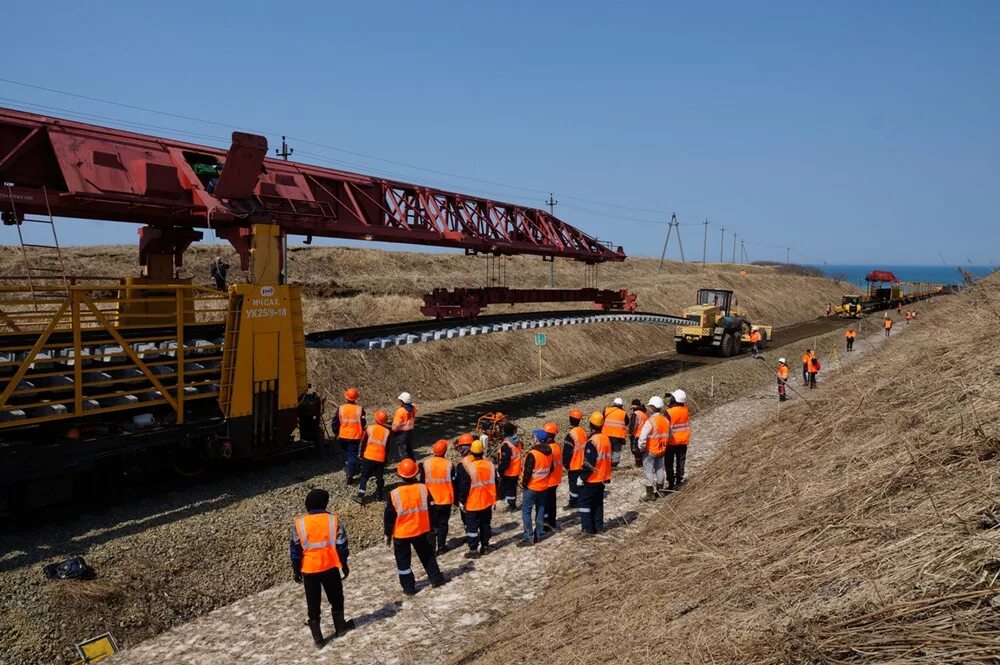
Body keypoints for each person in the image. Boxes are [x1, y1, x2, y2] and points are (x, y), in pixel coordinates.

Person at [290, 489, 355, 647]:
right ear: (324, 503)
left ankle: (318, 639)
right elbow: (341, 545)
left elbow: (295, 550)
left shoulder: (299, 524)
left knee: (313, 602)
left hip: (309, 569)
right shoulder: (333, 520)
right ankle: (340, 627)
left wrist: (296, 569)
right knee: (336, 598)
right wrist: (344, 564)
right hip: (330, 566)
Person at [384, 459, 446, 595]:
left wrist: (387, 533)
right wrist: (434, 525)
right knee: (427, 555)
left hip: (402, 534)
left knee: (403, 562)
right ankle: (436, 578)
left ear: (400, 474)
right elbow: (432, 509)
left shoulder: (394, 494)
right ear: (415, 473)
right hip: (421, 530)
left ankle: (409, 588)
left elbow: (389, 517)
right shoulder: (423, 488)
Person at [455, 440, 497, 558]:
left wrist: (461, 500)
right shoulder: (489, 464)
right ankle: (485, 546)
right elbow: (495, 482)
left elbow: (464, 486)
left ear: (472, 452)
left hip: (472, 502)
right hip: (487, 500)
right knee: (485, 524)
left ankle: (473, 550)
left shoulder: (468, 467)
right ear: (482, 451)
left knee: (472, 527)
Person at [518, 428, 552, 546]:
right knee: (541, 509)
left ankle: (528, 536)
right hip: (543, 486)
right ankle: (539, 533)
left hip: (532, 486)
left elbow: (527, 472)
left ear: (537, 439)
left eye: (534, 437)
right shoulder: (549, 452)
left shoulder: (533, 454)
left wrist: (524, 484)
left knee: (526, 511)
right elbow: (550, 469)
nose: (532, 439)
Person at [579, 412, 612, 535]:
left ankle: (588, 529)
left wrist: (582, 478)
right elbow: (608, 459)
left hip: (592, 479)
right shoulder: (605, 438)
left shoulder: (593, 442)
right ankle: (599, 527)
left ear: (591, 424)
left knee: (584, 503)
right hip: (602, 477)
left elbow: (589, 463)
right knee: (598, 503)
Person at [419, 439, 454, 554]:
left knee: (431, 525)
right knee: (443, 523)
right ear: (445, 451)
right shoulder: (449, 465)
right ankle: (442, 547)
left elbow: (422, 482)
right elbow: (453, 481)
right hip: (445, 499)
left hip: (430, 500)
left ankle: (432, 548)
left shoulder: (425, 463)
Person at [331, 388, 366, 484]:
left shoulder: (341, 408)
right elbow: (363, 423)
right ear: (356, 398)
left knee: (346, 453)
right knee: (352, 454)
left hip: (343, 436)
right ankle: (350, 474)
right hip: (354, 436)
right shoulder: (360, 409)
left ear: (346, 398)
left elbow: (335, 422)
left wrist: (336, 432)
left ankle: (348, 468)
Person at [637, 396, 669, 500]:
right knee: (660, 469)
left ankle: (650, 494)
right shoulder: (665, 420)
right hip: (662, 449)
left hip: (650, 450)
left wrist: (641, 448)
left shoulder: (650, 421)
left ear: (652, 408)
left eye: (649, 406)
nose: (648, 408)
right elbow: (670, 435)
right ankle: (660, 491)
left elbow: (642, 438)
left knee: (648, 471)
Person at [355, 409, 390, 504]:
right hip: (381, 458)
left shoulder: (369, 428)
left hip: (368, 456)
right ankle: (379, 495)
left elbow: (363, 442)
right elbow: (387, 447)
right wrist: (386, 458)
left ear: (376, 419)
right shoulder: (387, 432)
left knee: (364, 476)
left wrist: (360, 454)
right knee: (379, 477)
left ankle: (361, 496)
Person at [664, 390, 690, 490]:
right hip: (683, 440)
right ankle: (679, 480)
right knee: (681, 461)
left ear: (674, 400)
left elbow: (665, 426)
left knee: (669, 463)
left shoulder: (669, 412)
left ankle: (671, 483)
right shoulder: (685, 410)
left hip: (671, 441)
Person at [564, 409, 587, 509]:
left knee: (573, 485)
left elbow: (567, 452)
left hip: (574, 464)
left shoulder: (571, 435)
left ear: (570, 419)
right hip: (583, 463)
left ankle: (574, 502)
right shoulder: (583, 432)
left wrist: (566, 464)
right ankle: (581, 499)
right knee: (581, 483)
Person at [497, 422, 522, 512]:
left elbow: (505, 460)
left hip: (509, 471)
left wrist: (500, 470)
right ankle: (512, 502)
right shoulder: (517, 441)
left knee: (509, 489)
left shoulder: (506, 445)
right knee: (513, 488)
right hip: (516, 469)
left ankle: (512, 505)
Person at [542, 421, 562, 531]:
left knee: (545, 504)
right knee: (552, 502)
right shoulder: (557, 446)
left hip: (549, 481)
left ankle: (546, 524)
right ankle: (552, 522)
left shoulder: (548, 449)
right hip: (555, 479)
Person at [602, 397, 628, 468]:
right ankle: (614, 465)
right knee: (616, 450)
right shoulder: (623, 413)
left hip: (606, 434)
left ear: (613, 404)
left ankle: (607, 463)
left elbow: (601, 420)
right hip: (618, 435)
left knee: (608, 449)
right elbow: (627, 422)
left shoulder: (606, 410)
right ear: (621, 405)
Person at [391, 392, 418, 461]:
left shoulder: (400, 411)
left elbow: (395, 427)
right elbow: (415, 406)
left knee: (403, 452)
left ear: (402, 401)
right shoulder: (413, 409)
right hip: (410, 432)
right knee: (410, 450)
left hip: (401, 434)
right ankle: (413, 465)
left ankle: (406, 468)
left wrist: (393, 430)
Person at [628, 399, 647, 468]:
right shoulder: (644, 413)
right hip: (644, 435)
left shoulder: (636, 414)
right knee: (642, 451)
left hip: (637, 435)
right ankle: (642, 464)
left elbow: (633, 425)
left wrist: (630, 433)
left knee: (636, 452)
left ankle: (638, 465)